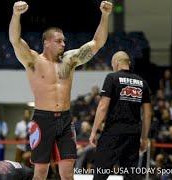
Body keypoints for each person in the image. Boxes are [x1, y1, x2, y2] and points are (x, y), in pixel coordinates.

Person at [9, 1, 112, 179]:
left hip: (65, 119)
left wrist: (105, 15)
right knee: (41, 172)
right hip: (42, 119)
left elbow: (97, 43)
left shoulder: (70, 60)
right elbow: (15, 40)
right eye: (58, 41)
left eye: (64, 40)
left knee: (68, 173)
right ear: (46, 42)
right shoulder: (33, 60)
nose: (63, 44)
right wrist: (16, 15)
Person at [89, 51, 152, 180]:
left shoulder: (112, 78)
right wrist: (144, 138)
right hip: (133, 134)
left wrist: (94, 131)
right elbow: (148, 114)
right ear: (128, 63)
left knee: (100, 172)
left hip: (113, 132)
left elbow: (102, 107)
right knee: (131, 174)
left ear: (116, 63)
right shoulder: (142, 82)